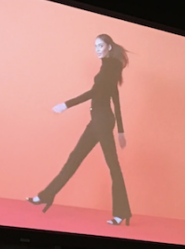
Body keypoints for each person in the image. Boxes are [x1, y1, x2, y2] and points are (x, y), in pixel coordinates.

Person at [27, 34, 132, 226]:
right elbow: (115, 97)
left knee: (111, 165)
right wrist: (121, 131)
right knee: (75, 159)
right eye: (95, 46)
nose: (97, 49)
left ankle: (121, 212)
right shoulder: (110, 67)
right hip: (99, 120)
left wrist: (66, 105)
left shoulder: (110, 67)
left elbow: (95, 93)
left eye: (100, 45)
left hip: (101, 120)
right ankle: (46, 195)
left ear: (109, 47)